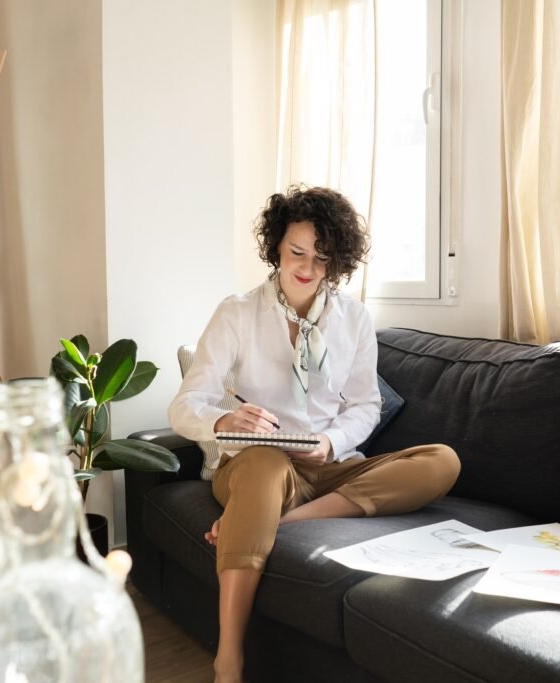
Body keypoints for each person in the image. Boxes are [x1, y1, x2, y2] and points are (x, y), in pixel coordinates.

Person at [168, 185, 460, 683]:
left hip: (327, 467)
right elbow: (184, 405)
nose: (307, 268)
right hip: (254, 467)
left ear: (338, 260)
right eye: (297, 252)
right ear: (276, 247)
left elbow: (366, 405)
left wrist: (332, 443)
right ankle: (229, 661)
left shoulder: (354, 318)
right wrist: (223, 421)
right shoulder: (237, 312)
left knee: (442, 460)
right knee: (262, 462)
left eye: (323, 258)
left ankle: (276, 524)